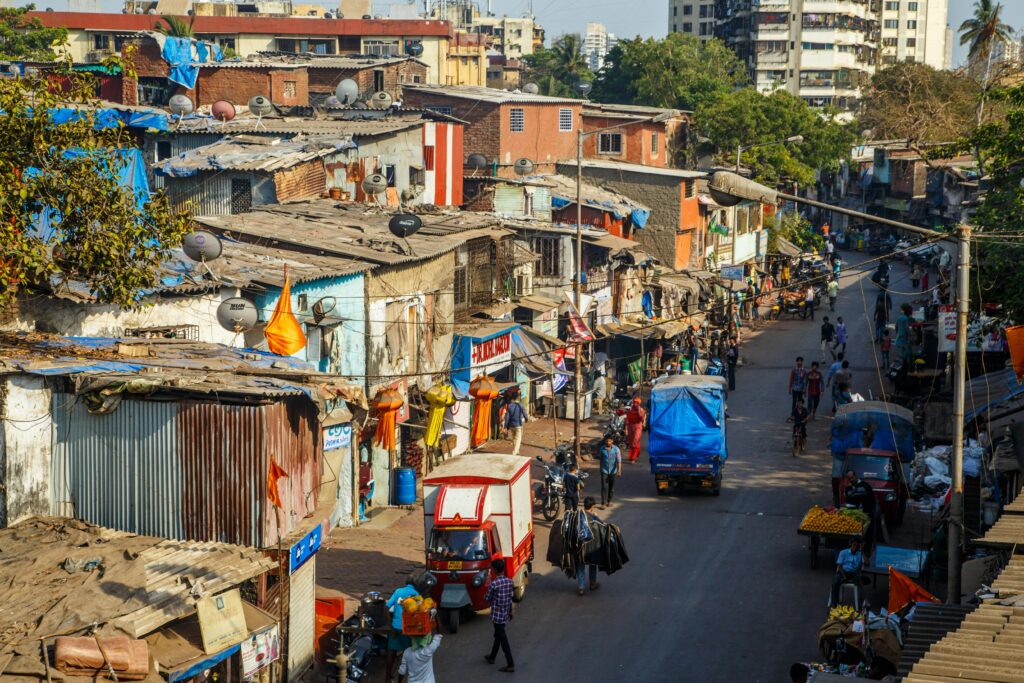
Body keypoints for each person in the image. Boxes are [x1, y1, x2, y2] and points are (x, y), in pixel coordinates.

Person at [484, 558, 515, 673]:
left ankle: (510, 663)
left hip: (497, 616)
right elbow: (510, 598)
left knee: (502, 639)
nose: (491, 570)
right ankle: (492, 657)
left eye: (492, 568)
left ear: (495, 570)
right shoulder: (509, 581)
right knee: (498, 635)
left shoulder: (494, 584)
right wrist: (510, 612)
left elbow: (487, 599)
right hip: (505, 614)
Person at [386, 579, 420, 680]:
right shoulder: (416, 594)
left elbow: (386, 607)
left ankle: (387, 677)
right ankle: (406, 678)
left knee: (391, 651)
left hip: (395, 627)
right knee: (409, 653)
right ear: (415, 585)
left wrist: (390, 624)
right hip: (407, 629)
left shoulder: (398, 591)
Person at [576, 497, 602, 596]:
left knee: (581, 566)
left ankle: (581, 588)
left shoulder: (578, 516)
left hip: (580, 547)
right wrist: (596, 517)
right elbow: (603, 526)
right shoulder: (594, 518)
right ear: (591, 507)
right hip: (591, 547)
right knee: (593, 564)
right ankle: (592, 583)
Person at [831, 539, 864, 606]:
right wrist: (844, 576)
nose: (855, 547)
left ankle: (860, 605)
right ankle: (834, 604)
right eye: (854, 545)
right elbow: (839, 565)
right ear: (851, 545)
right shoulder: (843, 552)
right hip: (842, 572)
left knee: (860, 583)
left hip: (853, 573)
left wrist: (862, 551)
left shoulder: (859, 554)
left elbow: (867, 562)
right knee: (835, 581)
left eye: (857, 546)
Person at [598, 436, 622, 506]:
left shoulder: (616, 449)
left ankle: (609, 501)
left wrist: (619, 470)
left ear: (612, 441)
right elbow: (601, 460)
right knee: (604, 487)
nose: (608, 442)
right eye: (606, 441)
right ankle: (603, 502)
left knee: (611, 487)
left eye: (609, 441)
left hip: (613, 471)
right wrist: (600, 469)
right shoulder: (602, 449)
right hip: (604, 470)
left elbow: (619, 460)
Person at [502, 392, 528, 456]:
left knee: (514, 439)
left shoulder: (510, 406)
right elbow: (525, 414)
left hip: (511, 425)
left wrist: (505, 426)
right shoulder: (521, 405)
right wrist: (526, 419)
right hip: (518, 425)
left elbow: (507, 417)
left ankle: (517, 451)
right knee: (518, 439)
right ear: (518, 397)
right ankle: (514, 453)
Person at [624, 397, 646, 463]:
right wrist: (626, 429)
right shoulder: (630, 410)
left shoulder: (641, 410)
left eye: (637, 403)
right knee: (632, 442)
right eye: (634, 402)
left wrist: (639, 412)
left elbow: (642, 419)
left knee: (635, 441)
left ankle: (633, 458)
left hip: (638, 426)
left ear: (639, 403)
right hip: (630, 427)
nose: (635, 404)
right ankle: (637, 454)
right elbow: (627, 420)